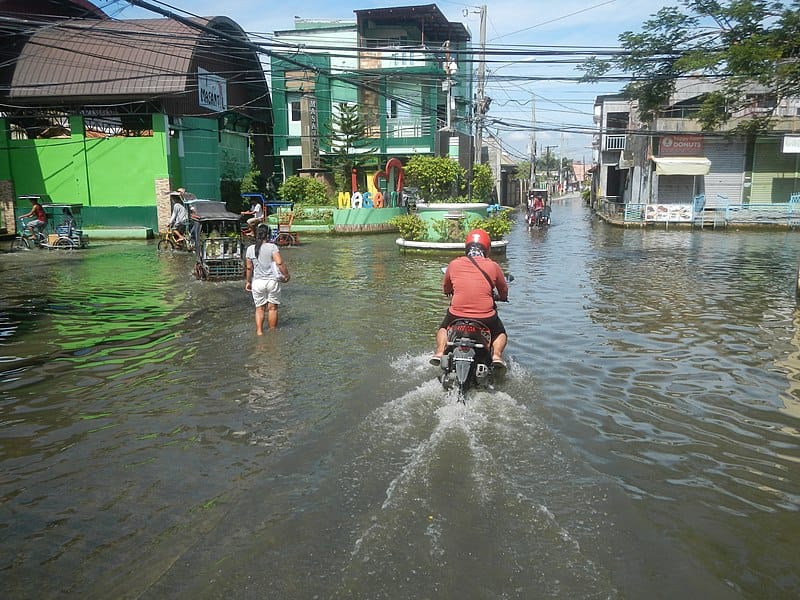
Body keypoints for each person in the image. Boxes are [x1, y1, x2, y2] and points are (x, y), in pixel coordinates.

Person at [430, 228, 509, 369]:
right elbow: (503, 290)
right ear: (487, 249)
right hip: (485, 317)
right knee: (500, 332)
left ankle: (440, 352)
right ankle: (496, 355)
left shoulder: (454, 264)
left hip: (456, 315)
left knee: (443, 327)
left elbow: (446, 287)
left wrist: (450, 291)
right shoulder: (493, 266)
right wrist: (502, 297)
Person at [245, 223, 290, 334]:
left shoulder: (250, 249)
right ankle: (272, 332)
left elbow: (249, 268)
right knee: (272, 308)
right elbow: (279, 262)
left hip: (257, 282)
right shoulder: (272, 247)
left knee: (259, 308)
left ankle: (259, 332)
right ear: (268, 235)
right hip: (272, 282)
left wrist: (248, 282)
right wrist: (286, 276)